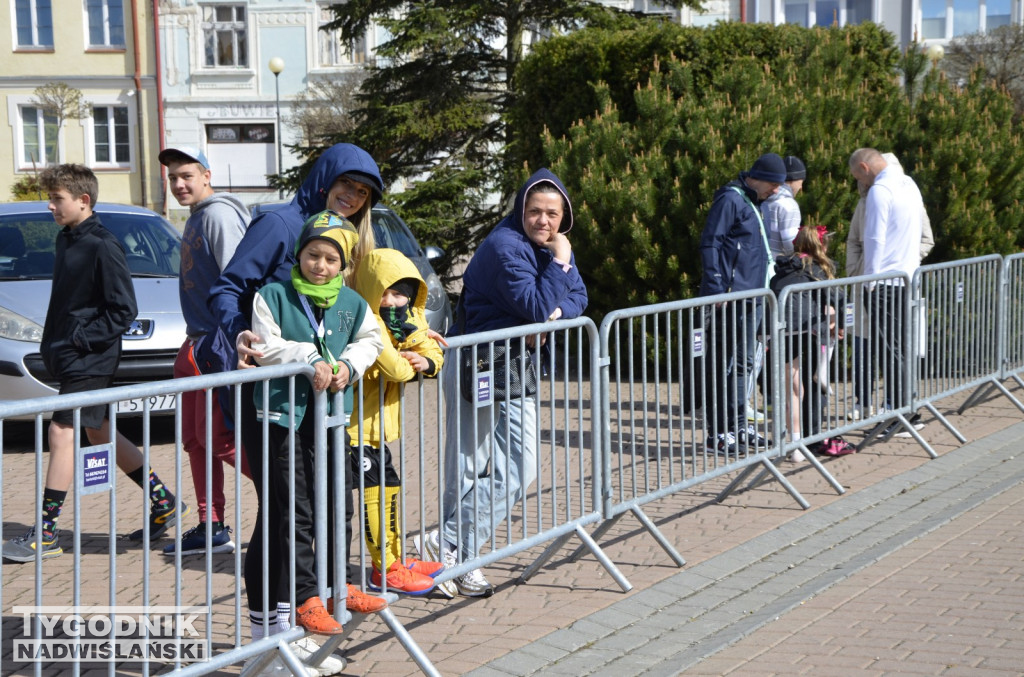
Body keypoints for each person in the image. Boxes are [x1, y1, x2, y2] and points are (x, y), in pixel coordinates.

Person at [209, 144, 388, 673]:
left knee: (294, 511)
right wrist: (238, 334)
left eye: (363, 192)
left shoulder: (343, 234)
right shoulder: (283, 224)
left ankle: (287, 638)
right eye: (347, 184)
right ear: (327, 176)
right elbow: (231, 286)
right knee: (284, 512)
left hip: (317, 398)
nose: (353, 196)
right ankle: (273, 640)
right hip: (270, 390)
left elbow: (353, 324)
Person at [1, 164, 187, 563]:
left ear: (83, 201)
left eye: (58, 199)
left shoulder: (103, 244)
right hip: (70, 357)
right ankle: (164, 502)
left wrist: (79, 341)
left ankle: (46, 534)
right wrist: (56, 346)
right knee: (100, 430)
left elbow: (123, 311)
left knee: (62, 433)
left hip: (91, 359)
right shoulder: (67, 239)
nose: (51, 206)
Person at [419, 169, 588, 597]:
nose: (543, 221)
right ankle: (459, 560)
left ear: (563, 215)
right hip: (478, 362)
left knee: (522, 466)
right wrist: (561, 265)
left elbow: (578, 297)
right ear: (521, 210)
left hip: (517, 367)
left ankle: (451, 542)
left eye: (553, 214)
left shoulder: (549, 249)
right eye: (535, 211)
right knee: (469, 464)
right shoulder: (504, 246)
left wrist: (554, 302)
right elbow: (535, 304)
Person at [250, 216, 384, 635]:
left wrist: (348, 364)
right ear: (300, 254)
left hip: (331, 421)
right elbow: (265, 345)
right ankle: (307, 596)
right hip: (283, 419)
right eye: (313, 255)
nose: (320, 266)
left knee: (339, 507)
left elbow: (371, 339)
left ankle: (337, 586)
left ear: (342, 265)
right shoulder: (272, 295)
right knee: (297, 511)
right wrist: (308, 357)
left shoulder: (351, 301)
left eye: (330, 259)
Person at [160, 145, 252, 556]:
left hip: (216, 343)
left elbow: (238, 280)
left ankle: (294, 495)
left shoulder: (217, 214)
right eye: (173, 178)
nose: (179, 184)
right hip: (195, 341)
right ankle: (210, 524)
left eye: (186, 176)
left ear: (207, 175)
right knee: (195, 440)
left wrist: (233, 340)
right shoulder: (198, 216)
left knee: (218, 438)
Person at [347, 247, 445, 596]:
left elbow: (430, 346)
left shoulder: (404, 319)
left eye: (399, 293)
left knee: (389, 492)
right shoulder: (364, 322)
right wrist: (410, 362)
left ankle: (393, 559)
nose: (390, 301)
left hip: (377, 431)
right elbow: (395, 367)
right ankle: (384, 569)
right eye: (383, 293)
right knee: (376, 498)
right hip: (354, 430)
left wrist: (427, 362)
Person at [698, 153, 785, 454]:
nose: (776, 191)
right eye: (773, 184)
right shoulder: (731, 199)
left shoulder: (751, 202)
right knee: (723, 364)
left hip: (753, 297)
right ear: (756, 177)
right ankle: (718, 432)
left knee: (745, 364)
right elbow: (711, 242)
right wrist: (717, 289)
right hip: (732, 298)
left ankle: (738, 425)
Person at [846, 152, 934, 421]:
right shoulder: (908, 184)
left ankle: (899, 413)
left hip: (883, 282)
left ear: (864, 167)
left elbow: (874, 240)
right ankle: (907, 410)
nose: (860, 182)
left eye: (858, 176)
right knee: (900, 348)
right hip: (905, 280)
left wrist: (868, 279)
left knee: (890, 350)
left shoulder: (880, 191)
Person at [770, 224, 855, 458]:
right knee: (810, 386)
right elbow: (838, 297)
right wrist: (840, 324)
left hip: (780, 330)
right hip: (808, 330)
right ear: (821, 245)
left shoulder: (783, 268)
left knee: (792, 391)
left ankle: (794, 442)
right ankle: (812, 435)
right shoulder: (817, 268)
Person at [762, 155, 807, 259]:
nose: (801, 187)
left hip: (760, 265)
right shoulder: (789, 205)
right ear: (791, 180)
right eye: (801, 182)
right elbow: (791, 242)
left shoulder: (764, 198)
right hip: (779, 269)